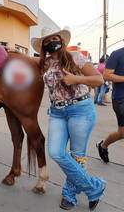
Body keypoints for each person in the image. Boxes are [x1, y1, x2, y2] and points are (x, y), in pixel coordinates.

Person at [31, 29, 106, 211]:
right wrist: (12, 52)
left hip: (80, 110)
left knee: (77, 155)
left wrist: (76, 79)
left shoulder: (75, 57)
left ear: (62, 41)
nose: (52, 42)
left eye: (55, 38)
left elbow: (99, 79)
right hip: (57, 112)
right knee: (56, 152)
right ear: (43, 46)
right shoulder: (44, 63)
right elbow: (29, 60)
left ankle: (69, 195)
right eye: (47, 40)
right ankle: (94, 186)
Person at [97, 47, 124, 163]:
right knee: (122, 133)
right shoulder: (117, 54)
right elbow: (106, 75)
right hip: (121, 98)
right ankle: (103, 145)